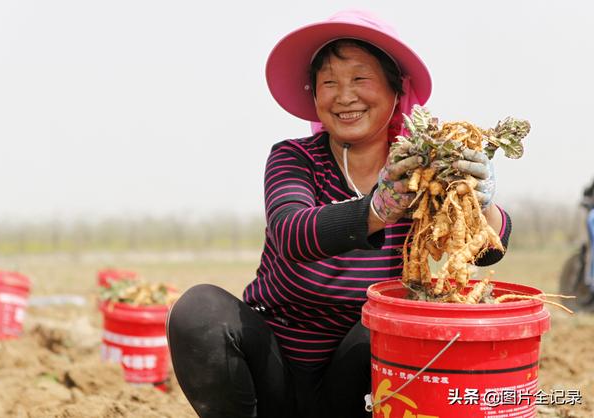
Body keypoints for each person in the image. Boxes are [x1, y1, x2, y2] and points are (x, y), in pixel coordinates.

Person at [167, 9, 511, 418]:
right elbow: (291, 233)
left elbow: (484, 252)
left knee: (385, 322)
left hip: (359, 382)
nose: (344, 96)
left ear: (395, 91)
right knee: (198, 310)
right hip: (276, 366)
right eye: (329, 83)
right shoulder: (294, 159)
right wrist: (378, 209)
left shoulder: (420, 171)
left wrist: (482, 202)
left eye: (360, 79)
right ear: (315, 97)